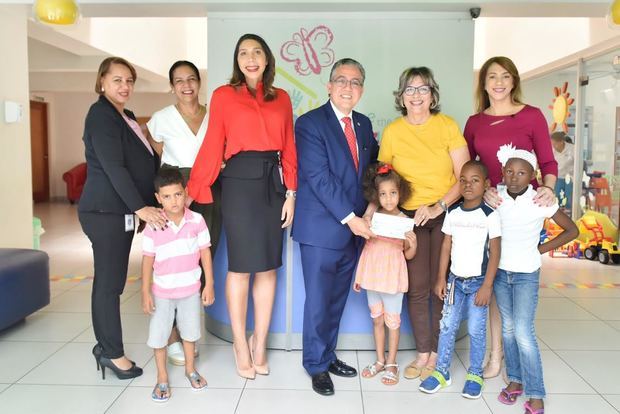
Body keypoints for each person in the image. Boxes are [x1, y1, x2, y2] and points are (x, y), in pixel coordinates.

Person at [187, 33, 297, 380]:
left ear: (267, 59)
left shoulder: (282, 98)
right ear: (237, 61)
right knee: (241, 267)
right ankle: (238, 342)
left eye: (257, 52)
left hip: (273, 185)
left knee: (268, 267)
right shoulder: (223, 95)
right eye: (243, 53)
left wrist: (291, 193)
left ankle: (259, 342)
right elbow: (212, 144)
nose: (250, 58)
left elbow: (290, 147)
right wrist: (191, 192)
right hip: (237, 183)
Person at [463, 56, 558, 379]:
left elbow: (548, 162)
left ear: (514, 81)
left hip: (522, 209)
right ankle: (496, 355)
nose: (499, 82)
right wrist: (483, 189)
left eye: (505, 76)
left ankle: (517, 358)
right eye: (492, 76)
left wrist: (547, 189)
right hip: (489, 208)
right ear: (484, 83)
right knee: (492, 281)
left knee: (518, 282)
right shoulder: (475, 122)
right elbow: (468, 169)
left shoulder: (531, 116)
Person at [293, 58, 379, 396]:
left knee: (336, 300)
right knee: (318, 301)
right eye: (341, 80)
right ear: (328, 86)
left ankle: (327, 356)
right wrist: (352, 219)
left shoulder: (363, 124)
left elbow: (370, 173)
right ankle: (315, 365)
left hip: (354, 230)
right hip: (321, 229)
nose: (348, 87)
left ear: (361, 90)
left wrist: (371, 209)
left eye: (355, 82)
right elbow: (318, 177)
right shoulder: (310, 123)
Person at [378, 67, 470, 381]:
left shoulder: (447, 126)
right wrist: (379, 213)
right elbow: (384, 178)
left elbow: (465, 177)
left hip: (444, 215)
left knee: (438, 287)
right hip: (409, 218)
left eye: (423, 89)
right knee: (416, 289)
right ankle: (423, 352)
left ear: (432, 95)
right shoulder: (393, 131)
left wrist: (438, 205)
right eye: (410, 89)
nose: (416, 95)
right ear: (401, 97)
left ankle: (437, 353)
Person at [79, 57, 166, 380]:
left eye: (129, 80)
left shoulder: (125, 116)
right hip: (105, 211)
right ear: (102, 81)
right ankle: (110, 352)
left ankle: (107, 347)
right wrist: (140, 208)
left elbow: (141, 162)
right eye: (117, 80)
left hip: (122, 211)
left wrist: (144, 203)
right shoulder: (100, 115)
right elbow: (114, 167)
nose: (124, 86)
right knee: (109, 283)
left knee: (112, 280)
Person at [146, 60, 222, 366]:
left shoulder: (214, 115)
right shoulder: (161, 118)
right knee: (171, 260)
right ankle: (173, 335)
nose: (186, 85)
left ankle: (189, 328)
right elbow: (157, 147)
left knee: (202, 256)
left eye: (191, 79)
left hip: (211, 186)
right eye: (179, 81)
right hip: (177, 189)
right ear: (172, 85)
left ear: (199, 83)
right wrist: (174, 188)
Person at [494, 145, 578, 414]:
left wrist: (540, 249)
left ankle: (536, 392)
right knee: (507, 329)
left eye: (521, 172)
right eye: (510, 171)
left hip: (526, 274)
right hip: (499, 273)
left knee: (523, 332)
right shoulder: (496, 196)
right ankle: (515, 380)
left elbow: (572, 230)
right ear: (503, 173)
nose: (515, 177)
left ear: (533, 175)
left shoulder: (540, 200)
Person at [419, 160, 501, 399]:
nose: (468, 185)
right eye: (463, 180)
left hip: (478, 284)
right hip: (454, 281)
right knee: (446, 327)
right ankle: (442, 372)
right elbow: (446, 246)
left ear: (486, 185)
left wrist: (487, 285)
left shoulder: (490, 215)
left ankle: (475, 373)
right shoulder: (453, 213)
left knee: (476, 329)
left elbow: (495, 252)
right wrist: (440, 279)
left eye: (475, 181)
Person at [141, 169, 214, 402]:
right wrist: (145, 291)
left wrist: (209, 283)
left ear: (185, 193)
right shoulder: (153, 226)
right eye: (167, 196)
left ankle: (190, 369)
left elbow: (205, 252)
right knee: (159, 334)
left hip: (190, 290)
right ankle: (162, 377)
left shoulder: (197, 221)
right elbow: (147, 260)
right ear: (158, 198)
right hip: (162, 292)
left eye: (178, 194)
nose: (174, 201)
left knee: (191, 331)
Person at [354, 163, 417, 386]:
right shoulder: (372, 220)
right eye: (383, 194)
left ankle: (392, 363)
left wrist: (412, 244)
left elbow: (408, 255)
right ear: (376, 196)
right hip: (372, 277)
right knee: (377, 320)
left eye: (392, 193)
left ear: (401, 193)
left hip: (392, 279)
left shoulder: (405, 221)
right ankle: (380, 360)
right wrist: (359, 277)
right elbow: (367, 250)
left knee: (393, 323)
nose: (388, 199)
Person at [550, 131, 574, 210]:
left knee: (569, 196)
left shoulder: (572, 149)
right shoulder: (552, 150)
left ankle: (569, 212)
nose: (553, 146)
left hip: (570, 177)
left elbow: (579, 163)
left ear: (561, 142)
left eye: (555, 144)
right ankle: (559, 213)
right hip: (558, 176)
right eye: (552, 144)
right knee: (557, 197)